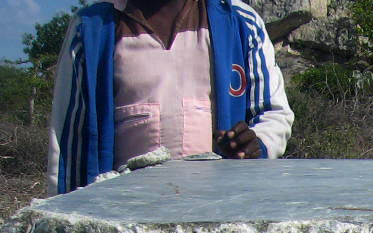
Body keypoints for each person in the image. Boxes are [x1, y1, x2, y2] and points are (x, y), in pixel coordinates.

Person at [46, 0, 294, 196]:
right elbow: (69, 140)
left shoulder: (239, 22)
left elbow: (273, 113)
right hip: (125, 218)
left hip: (219, 212)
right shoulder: (91, 30)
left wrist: (256, 143)